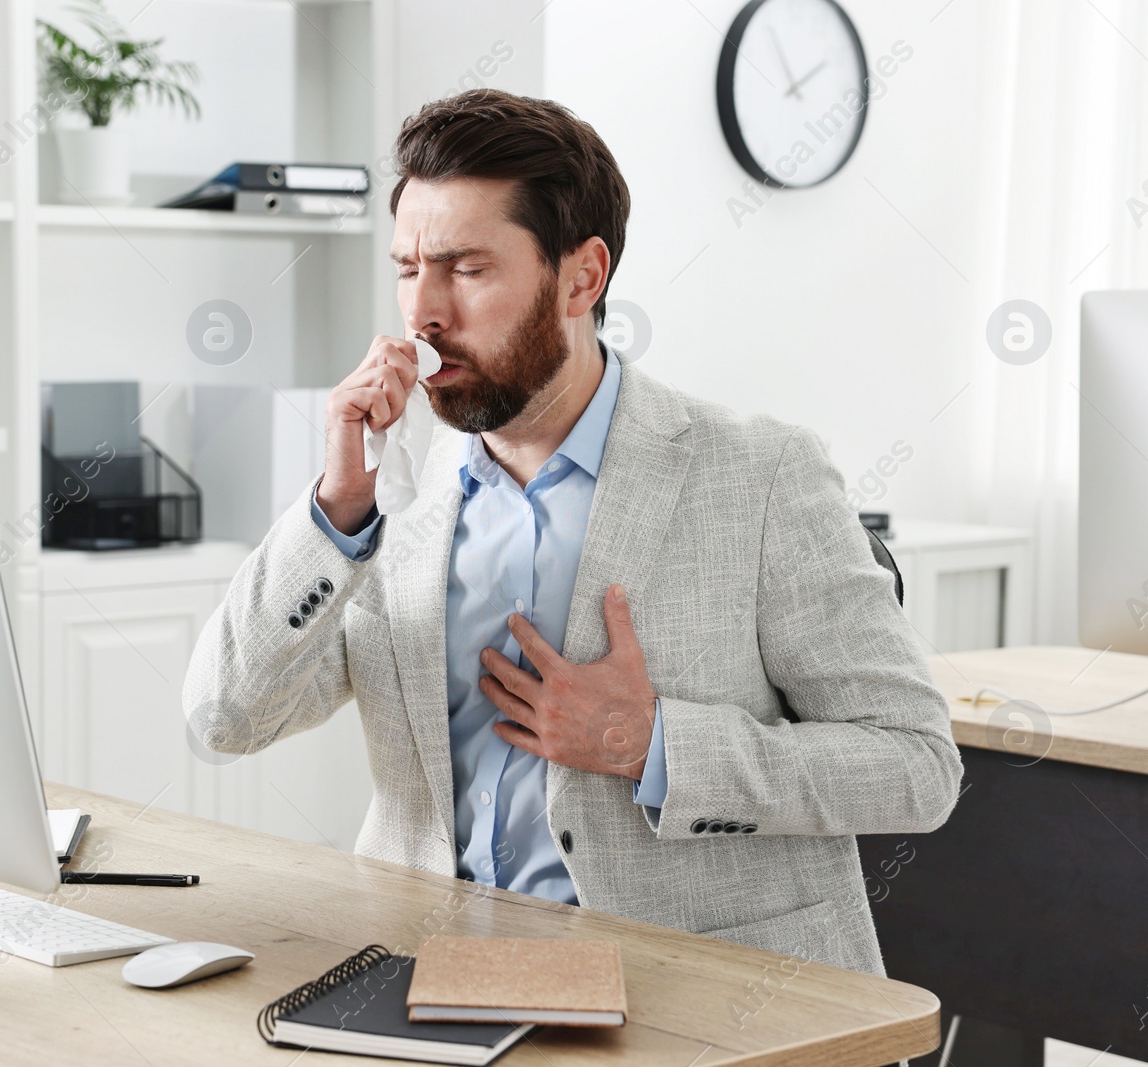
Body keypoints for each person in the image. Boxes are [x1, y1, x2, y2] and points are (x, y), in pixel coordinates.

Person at [184, 88, 962, 976]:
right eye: (407, 268)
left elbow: (916, 767)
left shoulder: (762, 475)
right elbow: (224, 718)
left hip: (701, 999)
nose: (424, 312)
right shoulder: (386, 491)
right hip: (429, 986)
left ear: (581, 278)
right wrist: (336, 511)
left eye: (466, 269)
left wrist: (653, 743)